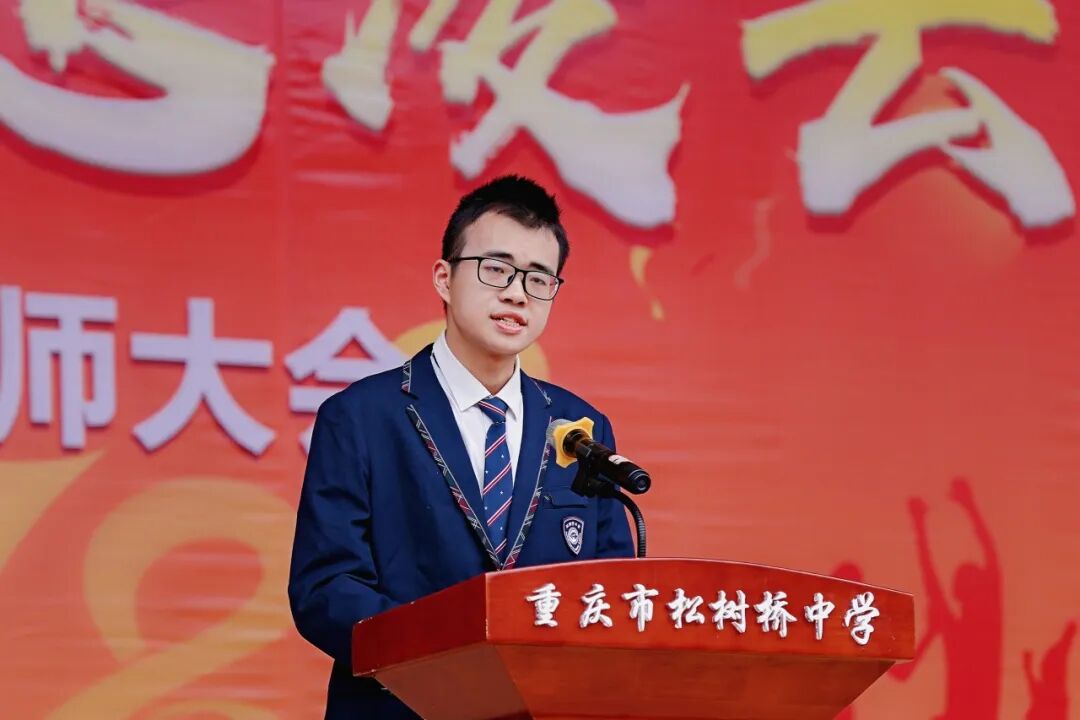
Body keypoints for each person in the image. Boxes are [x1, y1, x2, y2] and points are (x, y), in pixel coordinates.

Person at [288, 175, 635, 718]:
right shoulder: (359, 417)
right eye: (496, 268)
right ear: (444, 278)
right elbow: (326, 588)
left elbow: (609, 592)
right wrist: (450, 666)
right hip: (405, 706)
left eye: (539, 278)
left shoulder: (580, 430)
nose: (517, 293)